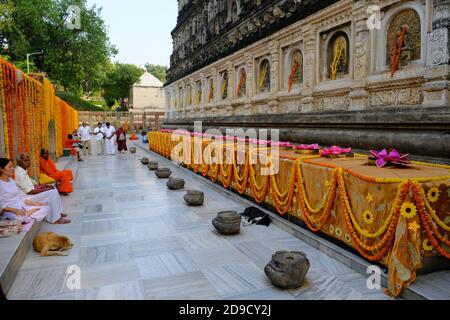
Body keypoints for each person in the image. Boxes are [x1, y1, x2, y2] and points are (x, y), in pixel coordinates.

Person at [14, 154, 70, 224]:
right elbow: (29, 191)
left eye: (29, 160)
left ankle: (59, 212)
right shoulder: (19, 173)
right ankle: (55, 219)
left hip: (30, 195)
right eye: (25, 160)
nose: (28, 162)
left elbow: (30, 187)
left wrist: (43, 187)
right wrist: (45, 190)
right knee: (52, 192)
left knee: (54, 189)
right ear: (19, 162)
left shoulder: (22, 170)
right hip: (27, 199)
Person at [0, 158, 50, 231]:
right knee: (20, 218)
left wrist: (35, 203)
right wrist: (15, 210)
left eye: (12, 166)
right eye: (10, 167)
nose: (13, 169)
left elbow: (19, 197)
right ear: (1, 169)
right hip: (10, 211)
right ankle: (29, 214)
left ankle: (28, 214)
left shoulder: (12, 181)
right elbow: (2, 205)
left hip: (21, 207)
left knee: (45, 207)